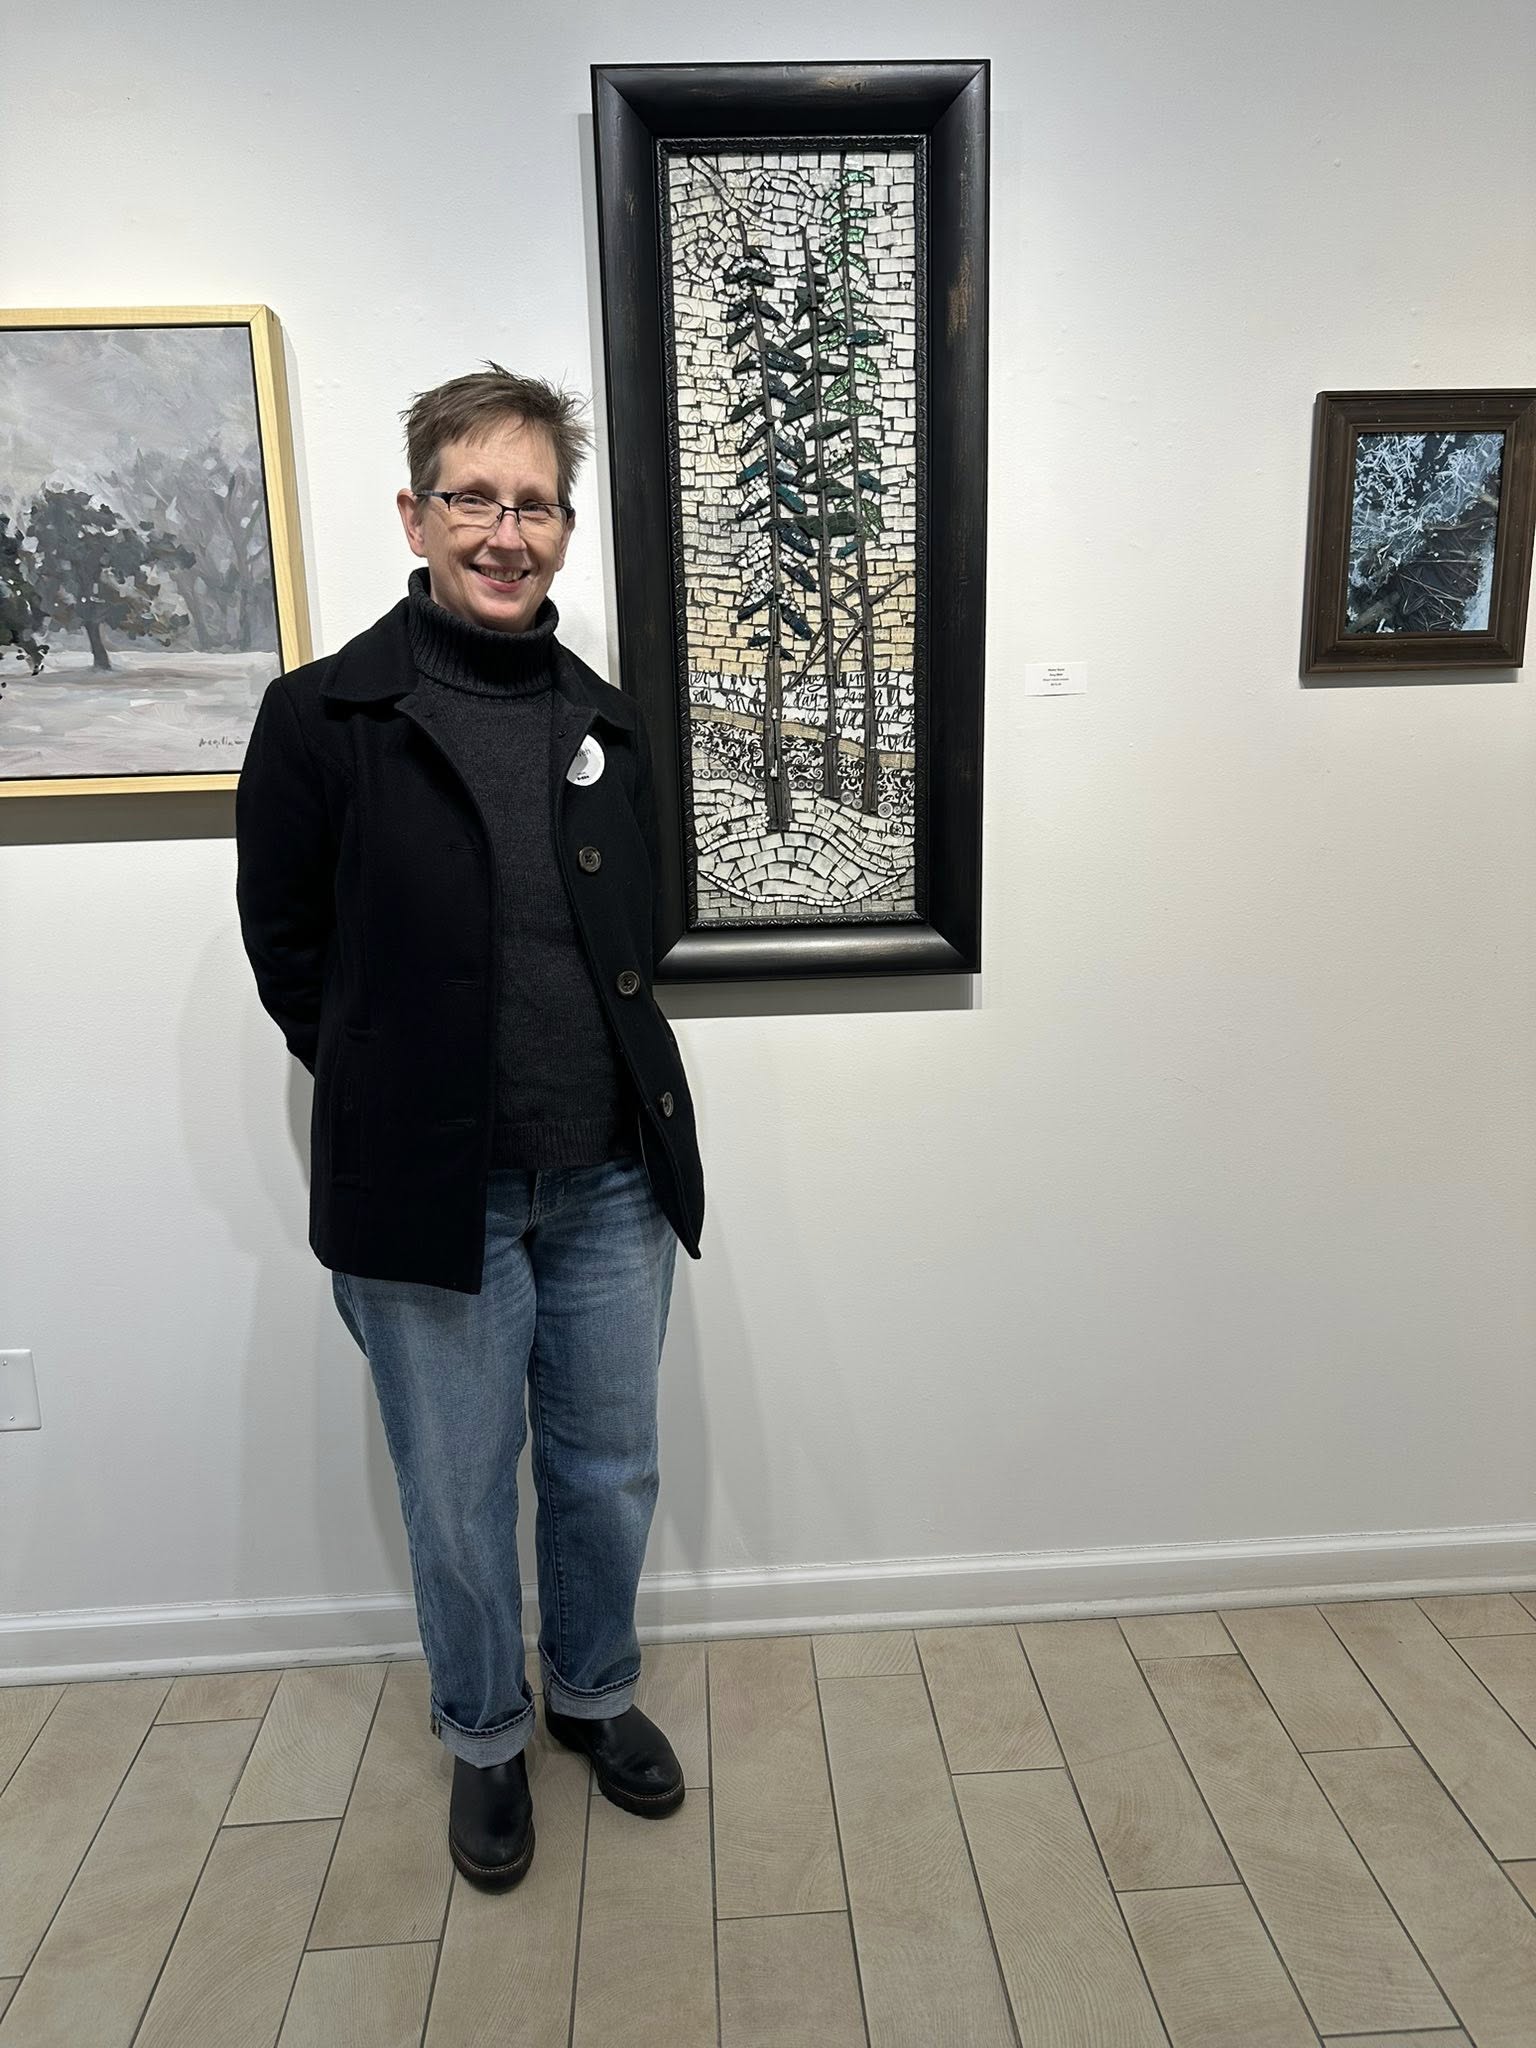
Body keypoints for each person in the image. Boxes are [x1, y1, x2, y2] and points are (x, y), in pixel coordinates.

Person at [234, 366, 704, 1893]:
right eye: (476, 499)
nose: (509, 533)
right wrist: (385, 1081)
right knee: (452, 1494)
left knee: (607, 1468)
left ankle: (592, 1697)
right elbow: (287, 948)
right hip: (433, 1197)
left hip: (611, 1180)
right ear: (416, 514)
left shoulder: (608, 721)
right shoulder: (324, 717)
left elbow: (648, 921)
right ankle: (487, 1736)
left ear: (568, 524)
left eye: (537, 504)